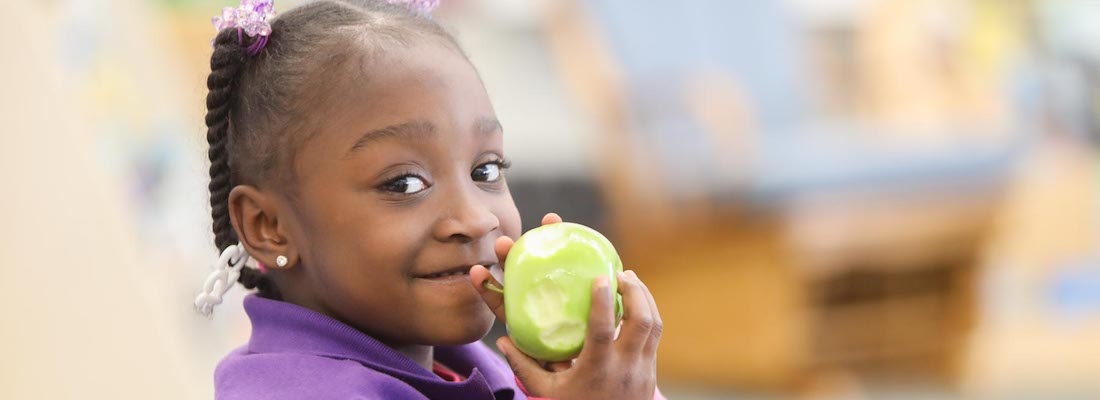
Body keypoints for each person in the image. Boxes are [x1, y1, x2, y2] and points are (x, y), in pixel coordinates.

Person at [194, 0, 664, 399]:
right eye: (404, 184)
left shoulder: (468, 363)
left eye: (486, 170)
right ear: (267, 225)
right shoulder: (293, 391)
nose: (477, 219)